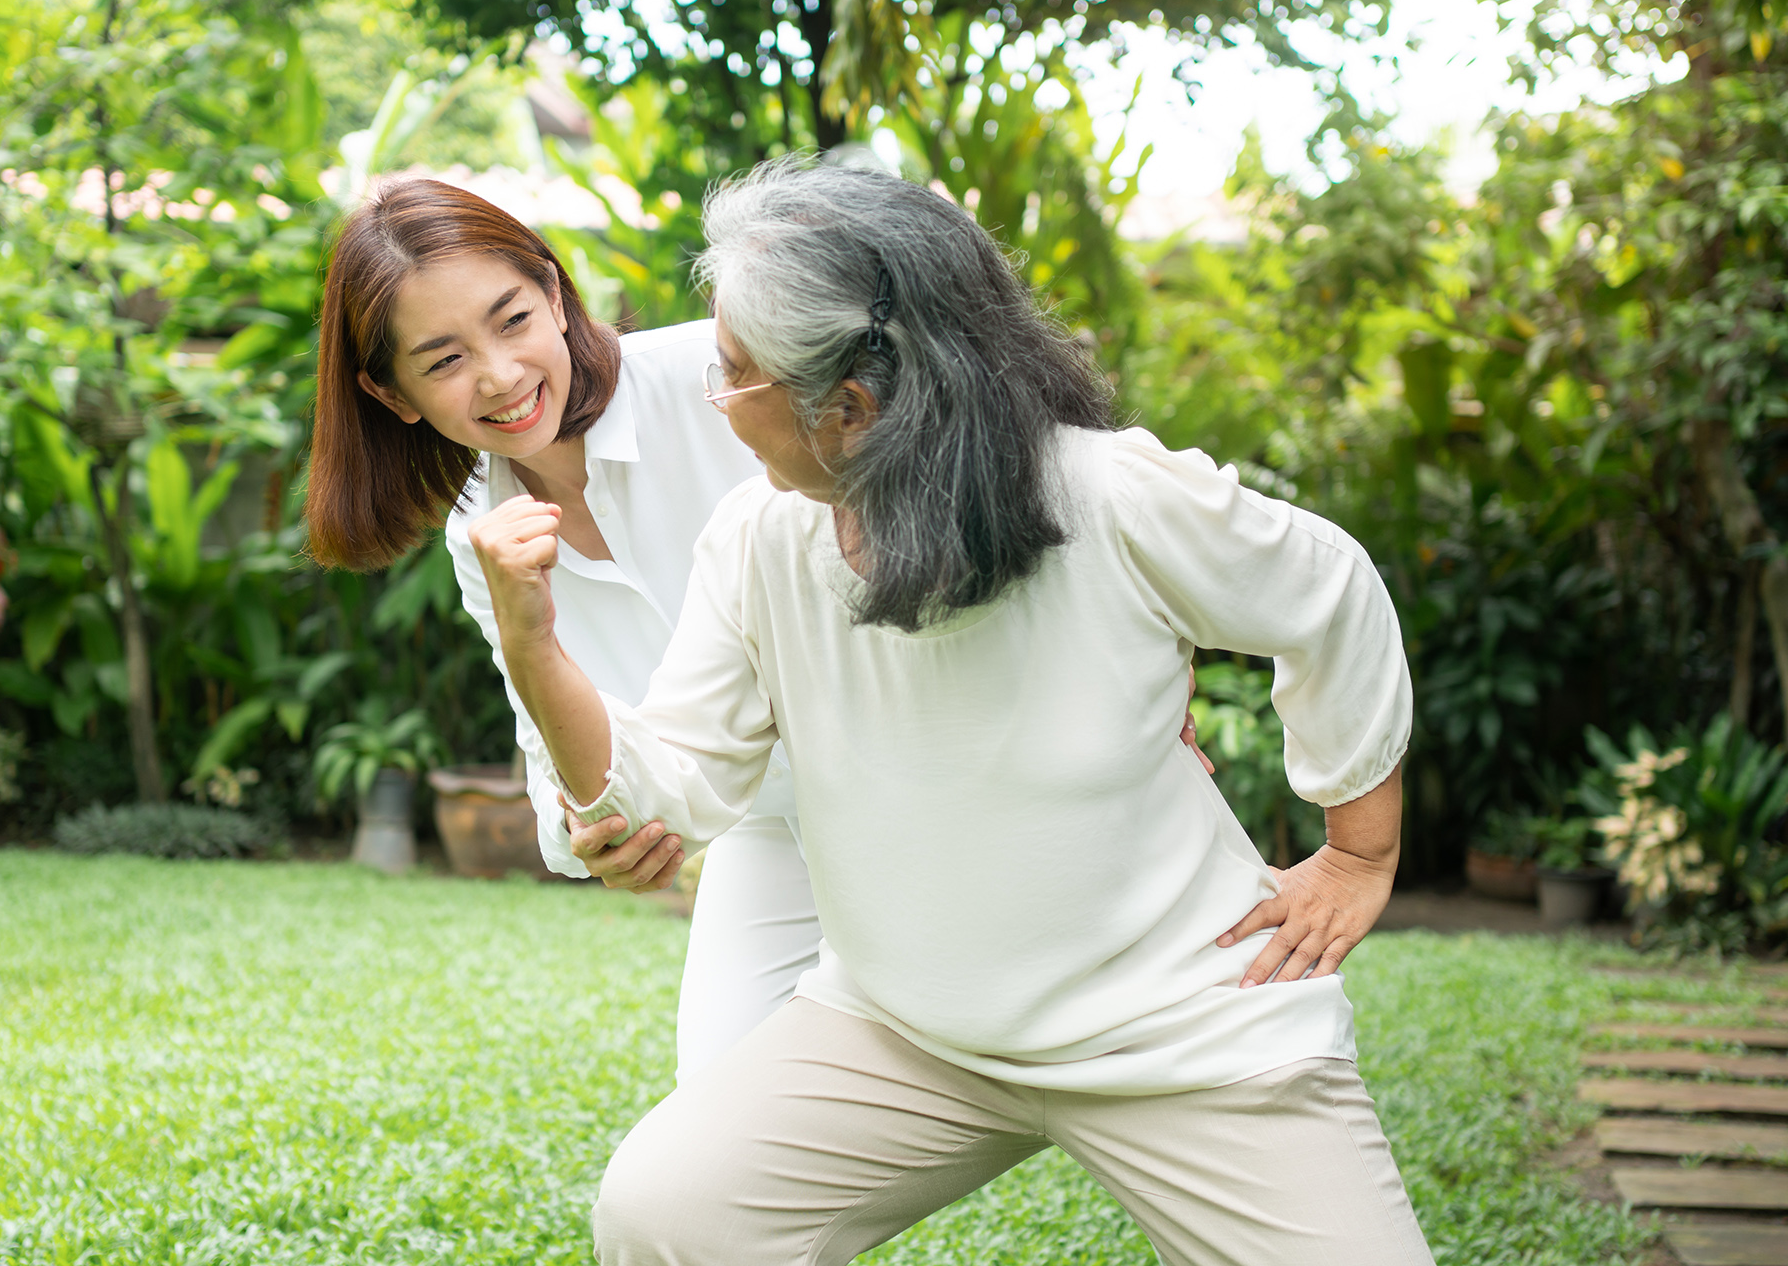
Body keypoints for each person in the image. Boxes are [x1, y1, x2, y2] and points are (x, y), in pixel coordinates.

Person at [469, 159, 1435, 1266]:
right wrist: (534, 642)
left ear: (852, 405)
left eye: (731, 373)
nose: (712, 398)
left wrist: (1358, 853)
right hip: (903, 1028)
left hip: (1179, 1027)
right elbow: (667, 781)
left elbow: (1329, 586)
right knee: (666, 1213)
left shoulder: (1106, 495)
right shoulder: (760, 538)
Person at [303, 177, 821, 1079]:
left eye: (511, 321)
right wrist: (595, 831)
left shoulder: (723, 376)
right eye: (443, 359)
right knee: (715, 1135)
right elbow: (561, 786)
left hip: (923, 779)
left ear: (553, 290)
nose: (500, 377)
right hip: (771, 834)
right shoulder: (485, 535)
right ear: (392, 396)